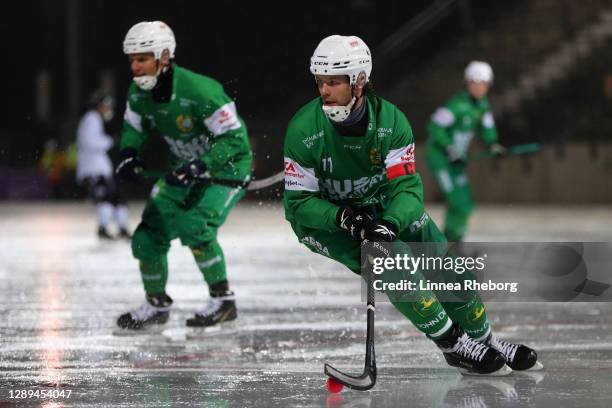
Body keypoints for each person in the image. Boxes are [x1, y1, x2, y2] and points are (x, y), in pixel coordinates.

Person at [283, 35, 541, 375]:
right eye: (320, 82)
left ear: (359, 81)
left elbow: (406, 188)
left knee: (450, 270)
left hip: (383, 208)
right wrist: (344, 217)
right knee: (398, 264)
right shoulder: (303, 130)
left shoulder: (392, 123)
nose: (324, 92)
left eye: (334, 82)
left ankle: (487, 340)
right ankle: (452, 344)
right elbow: (298, 204)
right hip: (329, 223)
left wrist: (389, 222)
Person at [114, 21, 252, 332]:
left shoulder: (200, 91)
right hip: (184, 170)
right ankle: (156, 304)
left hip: (227, 169)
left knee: (195, 225)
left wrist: (204, 163)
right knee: (146, 238)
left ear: (164, 56)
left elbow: (235, 140)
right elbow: (134, 128)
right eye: (131, 60)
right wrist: (128, 153)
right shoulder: (138, 93)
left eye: (142, 59)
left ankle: (223, 301)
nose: (134, 67)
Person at [425, 61, 506, 243]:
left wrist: (493, 144)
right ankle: (448, 243)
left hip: (457, 160)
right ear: (468, 83)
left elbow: (487, 129)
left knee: (465, 203)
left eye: (483, 84)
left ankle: (453, 240)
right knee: (456, 201)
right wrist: (449, 148)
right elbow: (435, 127)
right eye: (474, 83)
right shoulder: (457, 105)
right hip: (441, 158)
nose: (478, 88)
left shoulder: (482, 106)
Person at [76, 90, 131, 240]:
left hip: (99, 168)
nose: (108, 109)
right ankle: (104, 228)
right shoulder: (92, 118)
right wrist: (110, 141)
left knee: (116, 197)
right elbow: (90, 142)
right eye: (106, 105)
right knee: (107, 199)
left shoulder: (94, 119)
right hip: (93, 169)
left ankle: (121, 228)